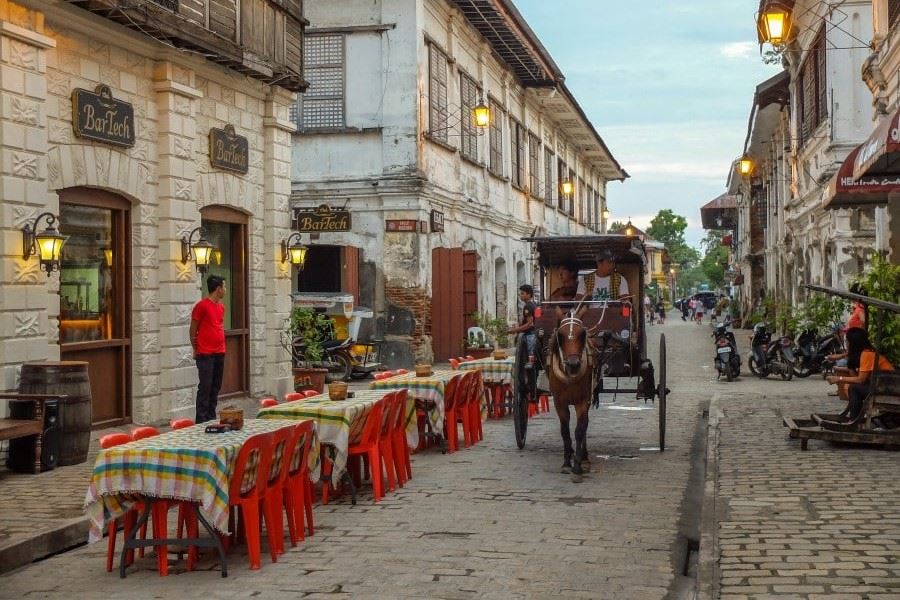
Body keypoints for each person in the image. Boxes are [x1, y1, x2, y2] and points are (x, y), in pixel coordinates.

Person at [826, 327, 894, 422]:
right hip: (883, 387)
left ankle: (854, 420)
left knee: (854, 388)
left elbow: (860, 379)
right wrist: (849, 362)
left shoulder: (867, 354)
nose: (847, 344)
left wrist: (839, 378)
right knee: (854, 387)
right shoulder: (864, 353)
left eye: (848, 341)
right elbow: (855, 375)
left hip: (887, 390)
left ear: (853, 343)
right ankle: (855, 418)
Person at [190, 275, 227, 423]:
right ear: (218, 289)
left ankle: (211, 416)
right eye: (224, 287)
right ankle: (201, 420)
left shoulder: (221, 306)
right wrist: (195, 347)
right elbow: (193, 329)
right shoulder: (202, 306)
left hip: (220, 352)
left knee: (215, 386)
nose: (225, 290)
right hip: (205, 353)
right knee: (205, 386)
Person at [508, 284, 537, 356]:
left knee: (529, 358)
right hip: (533, 335)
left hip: (529, 336)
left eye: (522, 293)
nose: (520, 295)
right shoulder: (534, 304)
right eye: (520, 293)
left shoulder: (528, 306)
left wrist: (515, 330)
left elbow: (530, 324)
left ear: (529, 294)